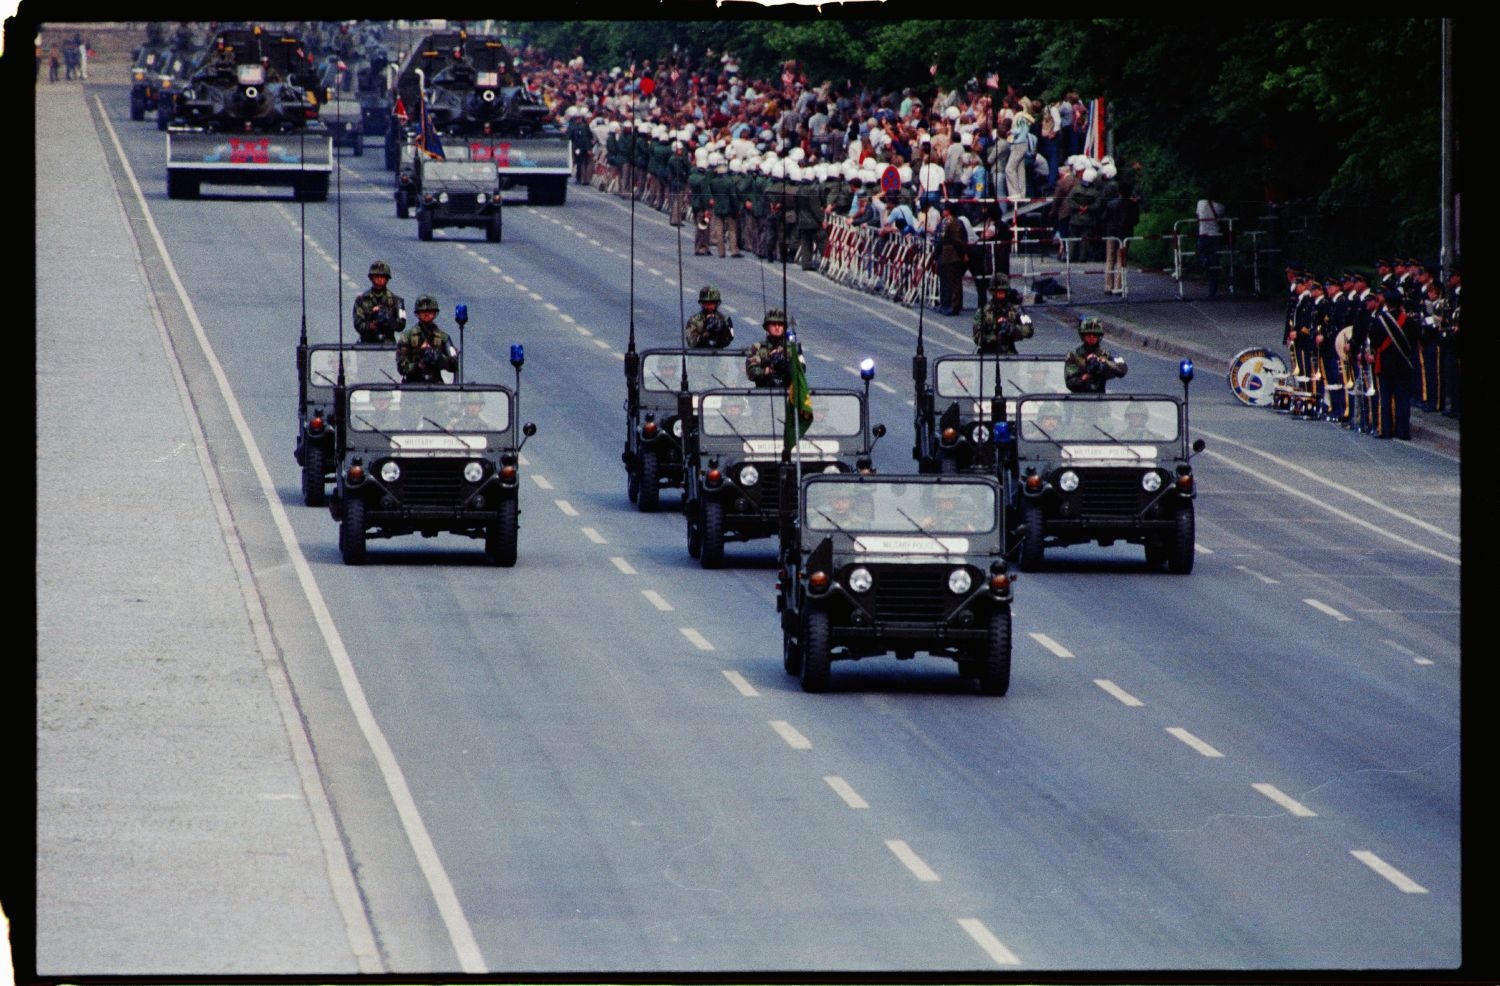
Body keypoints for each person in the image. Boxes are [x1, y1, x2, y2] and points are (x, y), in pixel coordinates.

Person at [396, 295, 459, 383]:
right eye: (423, 312)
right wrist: (419, 363)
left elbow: (454, 365)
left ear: (435, 314)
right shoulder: (407, 337)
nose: (426, 314)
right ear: (418, 314)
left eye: (430, 312)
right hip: (412, 388)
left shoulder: (444, 338)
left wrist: (438, 358)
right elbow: (401, 368)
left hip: (436, 387)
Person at [971, 274, 1033, 354]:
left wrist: (1012, 329)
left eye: (1003, 291)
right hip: (988, 353)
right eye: (998, 292)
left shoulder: (1015, 309)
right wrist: (995, 334)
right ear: (992, 292)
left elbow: (1029, 329)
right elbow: (977, 337)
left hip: (1009, 352)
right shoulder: (984, 311)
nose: (1000, 294)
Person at [1064, 317, 1127, 392]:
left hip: (1099, 398)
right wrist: (1085, 377)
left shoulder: (1106, 354)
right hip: (1078, 399)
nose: (1091, 338)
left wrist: (1104, 362)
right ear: (1082, 336)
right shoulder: (1074, 356)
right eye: (1088, 335)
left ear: (1099, 336)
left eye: (1095, 335)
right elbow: (1070, 383)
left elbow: (1122, 370)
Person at [352, 260, 406, 344]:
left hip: (388, 344)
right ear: (371, 278)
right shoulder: (361, 300)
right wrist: (370, 325)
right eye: (376, 276)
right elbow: (358, 324)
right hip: (366, 344)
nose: (379, 279)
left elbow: (401, 325)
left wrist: (388, 319)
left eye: (382, 277)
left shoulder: (397, 301)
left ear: (387, 279)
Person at [745, 308, 796, 388]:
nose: (777, 327)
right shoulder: (758, 348)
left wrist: (785, 364)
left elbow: (801, 370)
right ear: (767, 327)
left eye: (780, 324)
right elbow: (751, 372)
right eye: (773, 324)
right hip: (763, 394)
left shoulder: (793, 348)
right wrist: (767, 370)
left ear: (784, 327)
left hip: (788, 394)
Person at [1196, 189, 1227, 298]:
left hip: (1203, 234)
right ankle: (1212, 292)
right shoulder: (1221, 207)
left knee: (1200, 253)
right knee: (1215, 263)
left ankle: (1205, 262)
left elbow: (1198, 217)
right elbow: (1222, 220)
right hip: (1215, 236)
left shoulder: (1200, 203)